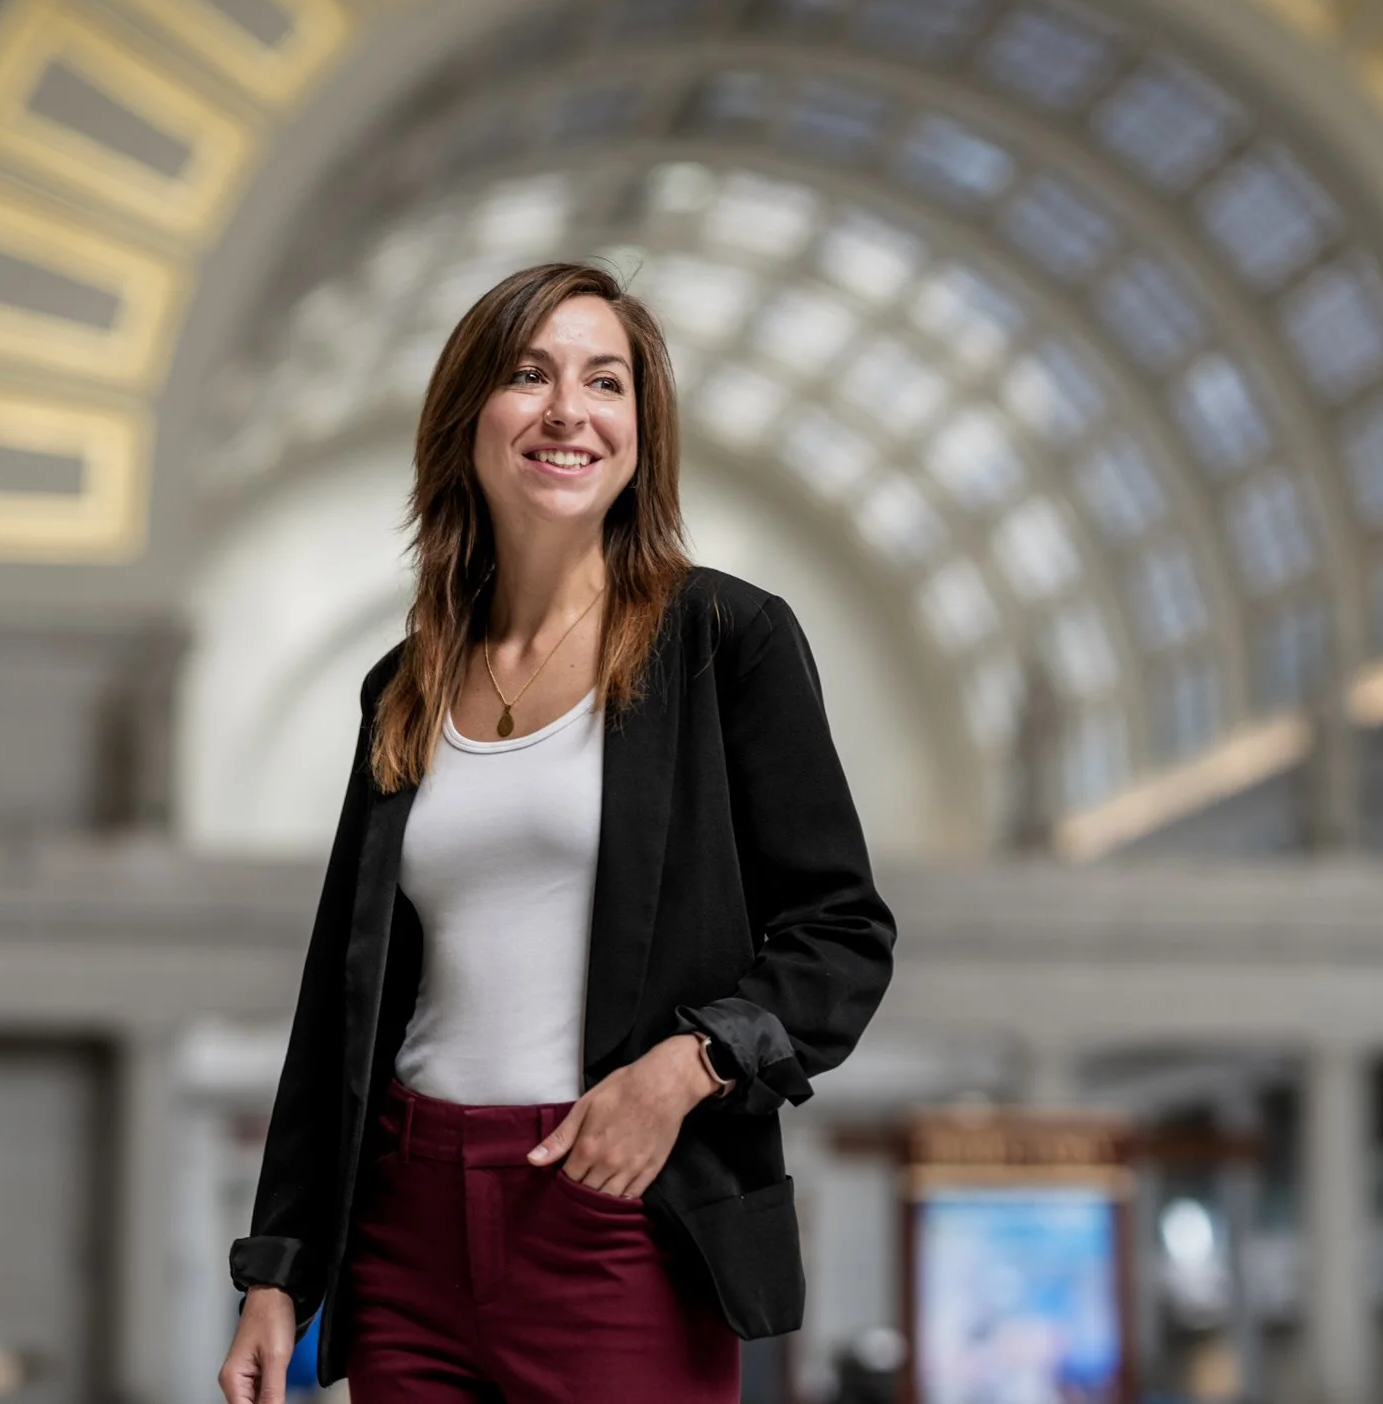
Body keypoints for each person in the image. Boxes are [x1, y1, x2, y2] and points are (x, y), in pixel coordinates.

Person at [218, 261, 896, 1404]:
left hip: (620, 1211)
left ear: (641, 430)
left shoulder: (727, 640)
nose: (568, 411)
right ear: (469, 417)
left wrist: (687, 1069)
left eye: (607, 381)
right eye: (529, 375)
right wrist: (278, 1272)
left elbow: (843, 934)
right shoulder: (406, 681)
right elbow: (341, 1000)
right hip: (406, 1217)